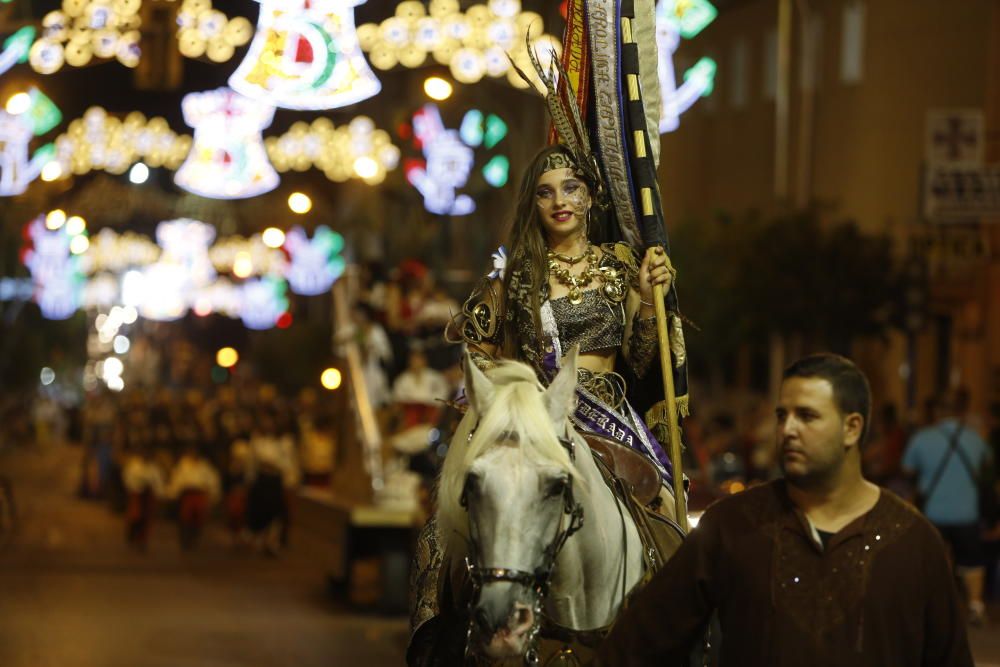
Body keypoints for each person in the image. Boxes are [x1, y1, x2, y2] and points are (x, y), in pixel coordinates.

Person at [594, 353, 973, 666]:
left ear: (852, 428)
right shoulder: (732, 526)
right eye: (781, 416)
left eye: (807, 416)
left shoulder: (913, 542)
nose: (788, 429)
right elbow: (641, 644)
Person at [448, 143, 676, 499]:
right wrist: (513, 395)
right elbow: (475, 358)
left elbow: (642, 360)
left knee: (667, 503)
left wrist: (647, 298)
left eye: (571, 188)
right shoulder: (511, 280)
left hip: (610, 426)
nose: (559, 202)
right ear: (533, 204)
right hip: (539, 424)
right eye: (545, 193)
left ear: (590, 195)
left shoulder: (621, 266)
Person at [903, 388, 994, 625]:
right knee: (971, 561)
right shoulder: (976, 439)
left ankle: (933, 609)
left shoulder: (922, 438)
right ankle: (975, 605)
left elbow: (907, 470)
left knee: (934, 560)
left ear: (936, 411)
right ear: (961, 411)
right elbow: (986, 467)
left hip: (933, 512)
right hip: (967, 512)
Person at [166, 446, 221, 549]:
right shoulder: (183, 465)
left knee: (199, 518)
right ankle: (185, 539)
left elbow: (212, 480)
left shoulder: (204, 466)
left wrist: (213, 494)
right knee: (186, 517)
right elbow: (177, 479)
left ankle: (194, 538)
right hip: (187, 494)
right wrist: (173, 492)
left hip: (200, 494)